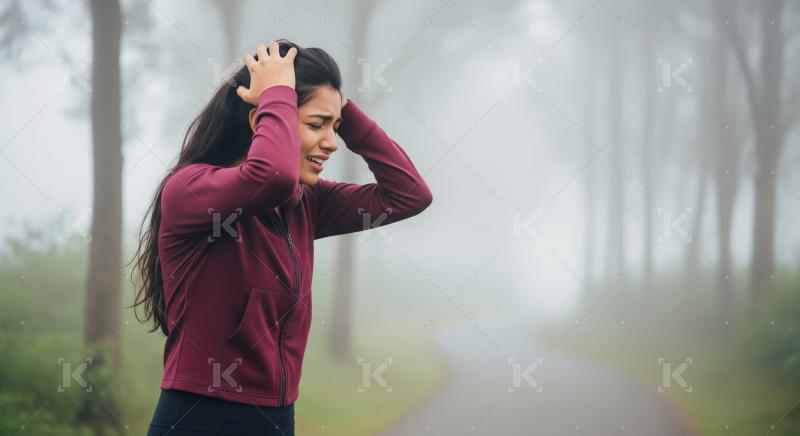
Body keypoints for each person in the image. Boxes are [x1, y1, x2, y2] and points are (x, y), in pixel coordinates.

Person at [132, 39, 433, 435]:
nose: (331, 143)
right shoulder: (189, 190)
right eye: (315, 125)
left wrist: (343, 110)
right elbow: (271, 176)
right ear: (263, 122)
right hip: (199, 417)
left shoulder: (306, 202)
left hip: (276, 418)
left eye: (335, 128)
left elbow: (409, 195)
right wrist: (277, 93)